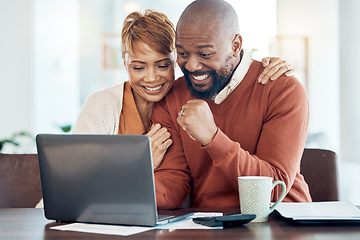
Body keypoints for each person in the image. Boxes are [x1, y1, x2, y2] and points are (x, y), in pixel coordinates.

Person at [35, 8, 295, 208]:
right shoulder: (113, 104)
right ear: (125, 64)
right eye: (139, 67)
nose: (151, 77)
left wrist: (212, 138)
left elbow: (274, 189)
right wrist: (135, 166)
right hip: (183, 220)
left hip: (264, 219)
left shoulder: (274, 86)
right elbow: (74, 181)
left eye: (162, 65)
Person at [152, 0, 312, 209]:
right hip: (210, 223)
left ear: (235, 46)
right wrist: (129, 183)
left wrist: (212, 137)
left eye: (205, 54)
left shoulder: (282, 89)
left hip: (280, 220)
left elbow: (273, 188)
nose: (191, 65)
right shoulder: (172, 96)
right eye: (182, 53)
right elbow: (173, 181)